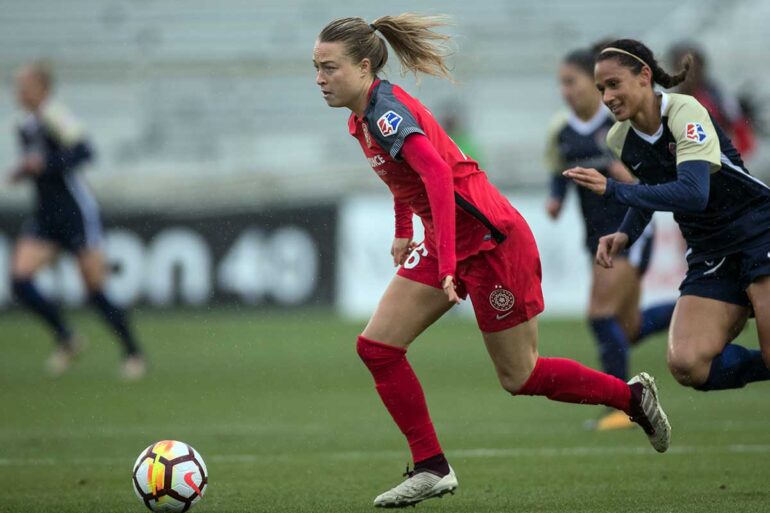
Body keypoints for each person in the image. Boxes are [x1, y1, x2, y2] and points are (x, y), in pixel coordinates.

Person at [313, 17, 670, 508]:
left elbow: (437, 174)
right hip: (448, 239)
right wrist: (404, 232)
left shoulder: (386, 113)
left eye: (329, 67)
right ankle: (431, 466)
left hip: (491, 241)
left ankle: (631, 399)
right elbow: (403, 177)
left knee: (519, 377)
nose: (320, 78)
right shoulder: (362, 118)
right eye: (316, 68)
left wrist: (448, 262)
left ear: (363, 66)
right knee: (377, 347)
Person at [564, 39, 770, 396]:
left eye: (614, 84)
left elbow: (693, 192)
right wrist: (625, 233)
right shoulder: (619, 138)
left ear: (645, 76)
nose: (607, 97)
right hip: (710, 251)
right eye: (601, 89)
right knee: (688, 365)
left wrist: (613, 189)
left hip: (758, 232)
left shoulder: (684, 111)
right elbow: (652, 187)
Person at [545, 48, 676, 431]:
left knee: (600, 314)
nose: (565, 90)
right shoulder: (564, 130)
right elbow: (561, 169)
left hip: (628, 231)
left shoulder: (617, 124)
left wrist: (623, 175)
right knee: (628, 327)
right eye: (561, 83)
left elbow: (647, 177)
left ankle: (623, 406)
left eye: (572, 81)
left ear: (593, 82)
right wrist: (556, 197)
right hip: (596, 236)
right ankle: (705, 306)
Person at [8, 61, 146, 379]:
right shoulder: (24, 123)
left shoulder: (56, 116)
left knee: (94, 290)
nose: (19, 91)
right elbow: (39, 167)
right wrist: (25, 170)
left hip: (75, 213)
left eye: (24, 85)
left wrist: (45, 163)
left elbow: (85, 152)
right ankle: (66, 336)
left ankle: (133, 352)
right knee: (19, 280)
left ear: (42, 88)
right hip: (46, 216)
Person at [668, 42, 756, 159]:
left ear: (702, 67)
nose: (690, 73)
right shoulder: (671, 105)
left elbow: (741, 133)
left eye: (694, 67)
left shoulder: (718, 95)